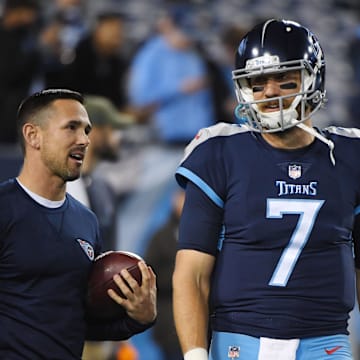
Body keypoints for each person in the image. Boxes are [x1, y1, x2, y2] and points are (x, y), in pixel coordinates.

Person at [172, 19, 360, 360]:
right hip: (239, 342)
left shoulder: (350, 155)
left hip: (326, 344)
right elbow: (191, 274)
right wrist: (196, 355)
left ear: (312, 78)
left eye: (284, 80)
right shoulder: (220, 151)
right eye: (256, 84)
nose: (270, 92)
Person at [0, 88, 157, 359]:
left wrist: (138, 318)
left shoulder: (86, 221)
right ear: (33, 135)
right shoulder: (4, 208)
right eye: (71, 127)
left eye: (86, 130)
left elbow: (79, 323)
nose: (84, 140)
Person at [144, 190, 185, 360]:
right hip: (170, 321)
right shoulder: (161, 237)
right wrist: (181, 279)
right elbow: (149, 273)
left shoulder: (209, 234)